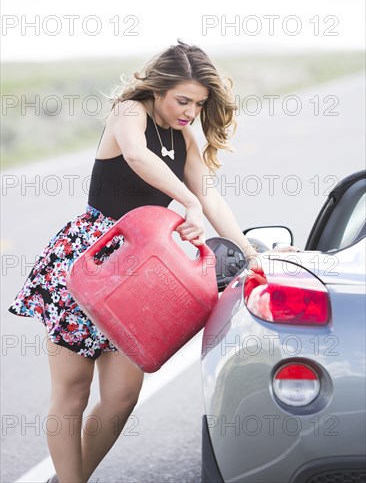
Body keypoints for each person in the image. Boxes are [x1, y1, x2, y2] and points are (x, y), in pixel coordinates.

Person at [9, 40, 297, 483]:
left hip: (143, 269)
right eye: (183, 100)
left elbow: (208, 193)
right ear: (159, 89)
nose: (190, 112)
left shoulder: (183, 135)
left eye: (199, 104)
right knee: (72, 390)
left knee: (122, 395)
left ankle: (68, 479)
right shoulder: (130, 111)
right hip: (93, 257)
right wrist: (187, 204)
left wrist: (248, 250)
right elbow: (138, 157)